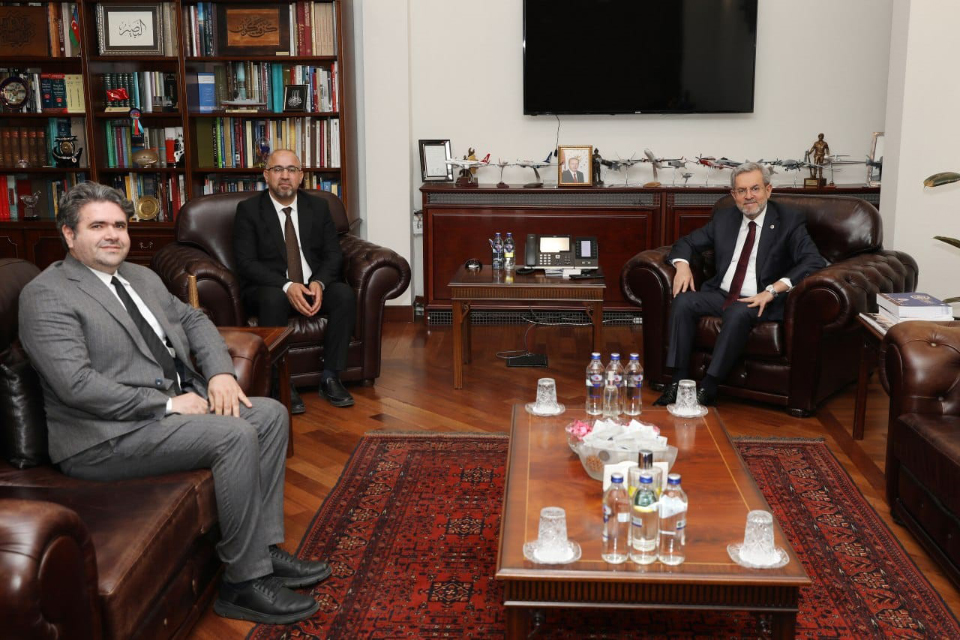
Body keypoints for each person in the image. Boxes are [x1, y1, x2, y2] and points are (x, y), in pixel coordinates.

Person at [18, 182, 329, 625]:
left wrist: (220, 373)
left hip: (168, 408)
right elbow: (77, 386)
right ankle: (243, 584)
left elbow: (194, 319)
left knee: (271, 415)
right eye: (98, 226)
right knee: (235, 434)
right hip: (104, 438)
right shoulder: (47, 294)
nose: (113, 235)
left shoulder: (140, 277)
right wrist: (166, 406)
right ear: (69, 234)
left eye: (120, 226)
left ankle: (261, 548)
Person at [653, 163, 826, 407]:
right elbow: (686, 243)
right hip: (722, 293)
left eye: (755, 189)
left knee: (737, 313)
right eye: (741, 191)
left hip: (761, 298)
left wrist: (773, 290)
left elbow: (813, 260)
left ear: (768, 190)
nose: (748, 196)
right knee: (683, 302)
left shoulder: (788, 220)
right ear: (733, 194)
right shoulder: (725, 218)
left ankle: (709, 387)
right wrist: (682, 266)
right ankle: (678, 383)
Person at [234, 149, 357, 411]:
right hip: (271, 288)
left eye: (291, 170)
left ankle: (331, 377)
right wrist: (287, 285)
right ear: (266, 175)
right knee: (274, 298)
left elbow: (333, 254)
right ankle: (281, 382)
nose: (285, 176)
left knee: (343, 295)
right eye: (278, 169)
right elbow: (246, 262)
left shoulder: (319, 207)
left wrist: (319, 282)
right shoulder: (249, 210)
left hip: (311, 284)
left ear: (301, 176)